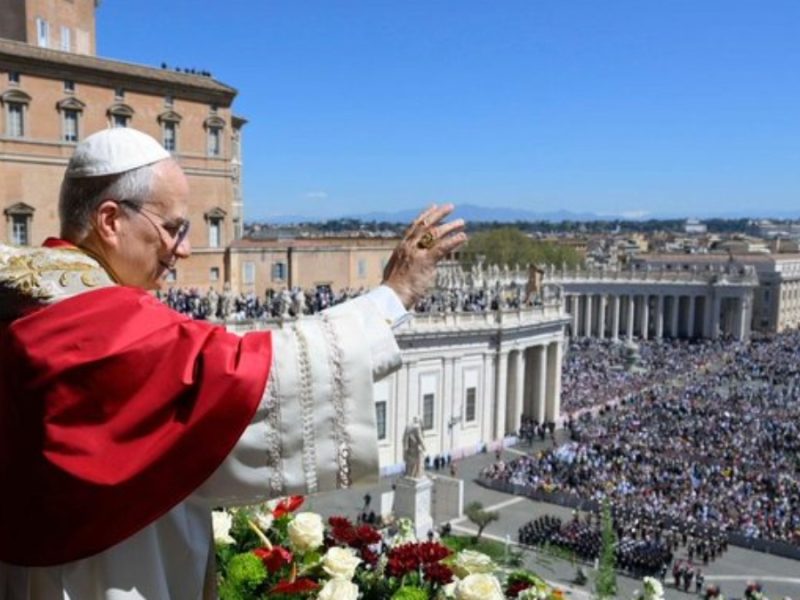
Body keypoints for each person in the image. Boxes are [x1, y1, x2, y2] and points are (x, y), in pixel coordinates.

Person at [0, 128, 466, 599]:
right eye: (173, 228)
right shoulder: (101, 321)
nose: (182, 249)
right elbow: (247, 378)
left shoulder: (26, 294)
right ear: (110, 221)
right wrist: (394, 296)